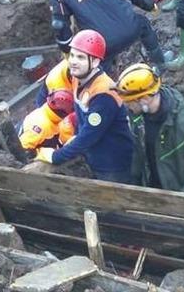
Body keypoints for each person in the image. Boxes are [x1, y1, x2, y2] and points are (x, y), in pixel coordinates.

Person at [114, 63, 184, 198]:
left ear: (144, 99)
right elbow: (139, 154)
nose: (126, 106)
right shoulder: (139, 119)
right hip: (163, 194)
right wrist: (134, 183)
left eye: (129, 102)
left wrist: (181, 198)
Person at [34, 30, 135, 184]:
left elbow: (88, 136)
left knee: (113, 202)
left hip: (112, 164)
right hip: (95, 156)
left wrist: (55, 157)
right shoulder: (77, 79)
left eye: (80, 57)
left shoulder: (103, 95)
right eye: (72, 55)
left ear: (95, 62)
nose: (73, 61)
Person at [19, 89, 76, 155]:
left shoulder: (50, 117)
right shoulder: (41, 125)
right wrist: (48, 153)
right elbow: (23, 150)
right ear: (63, 113)